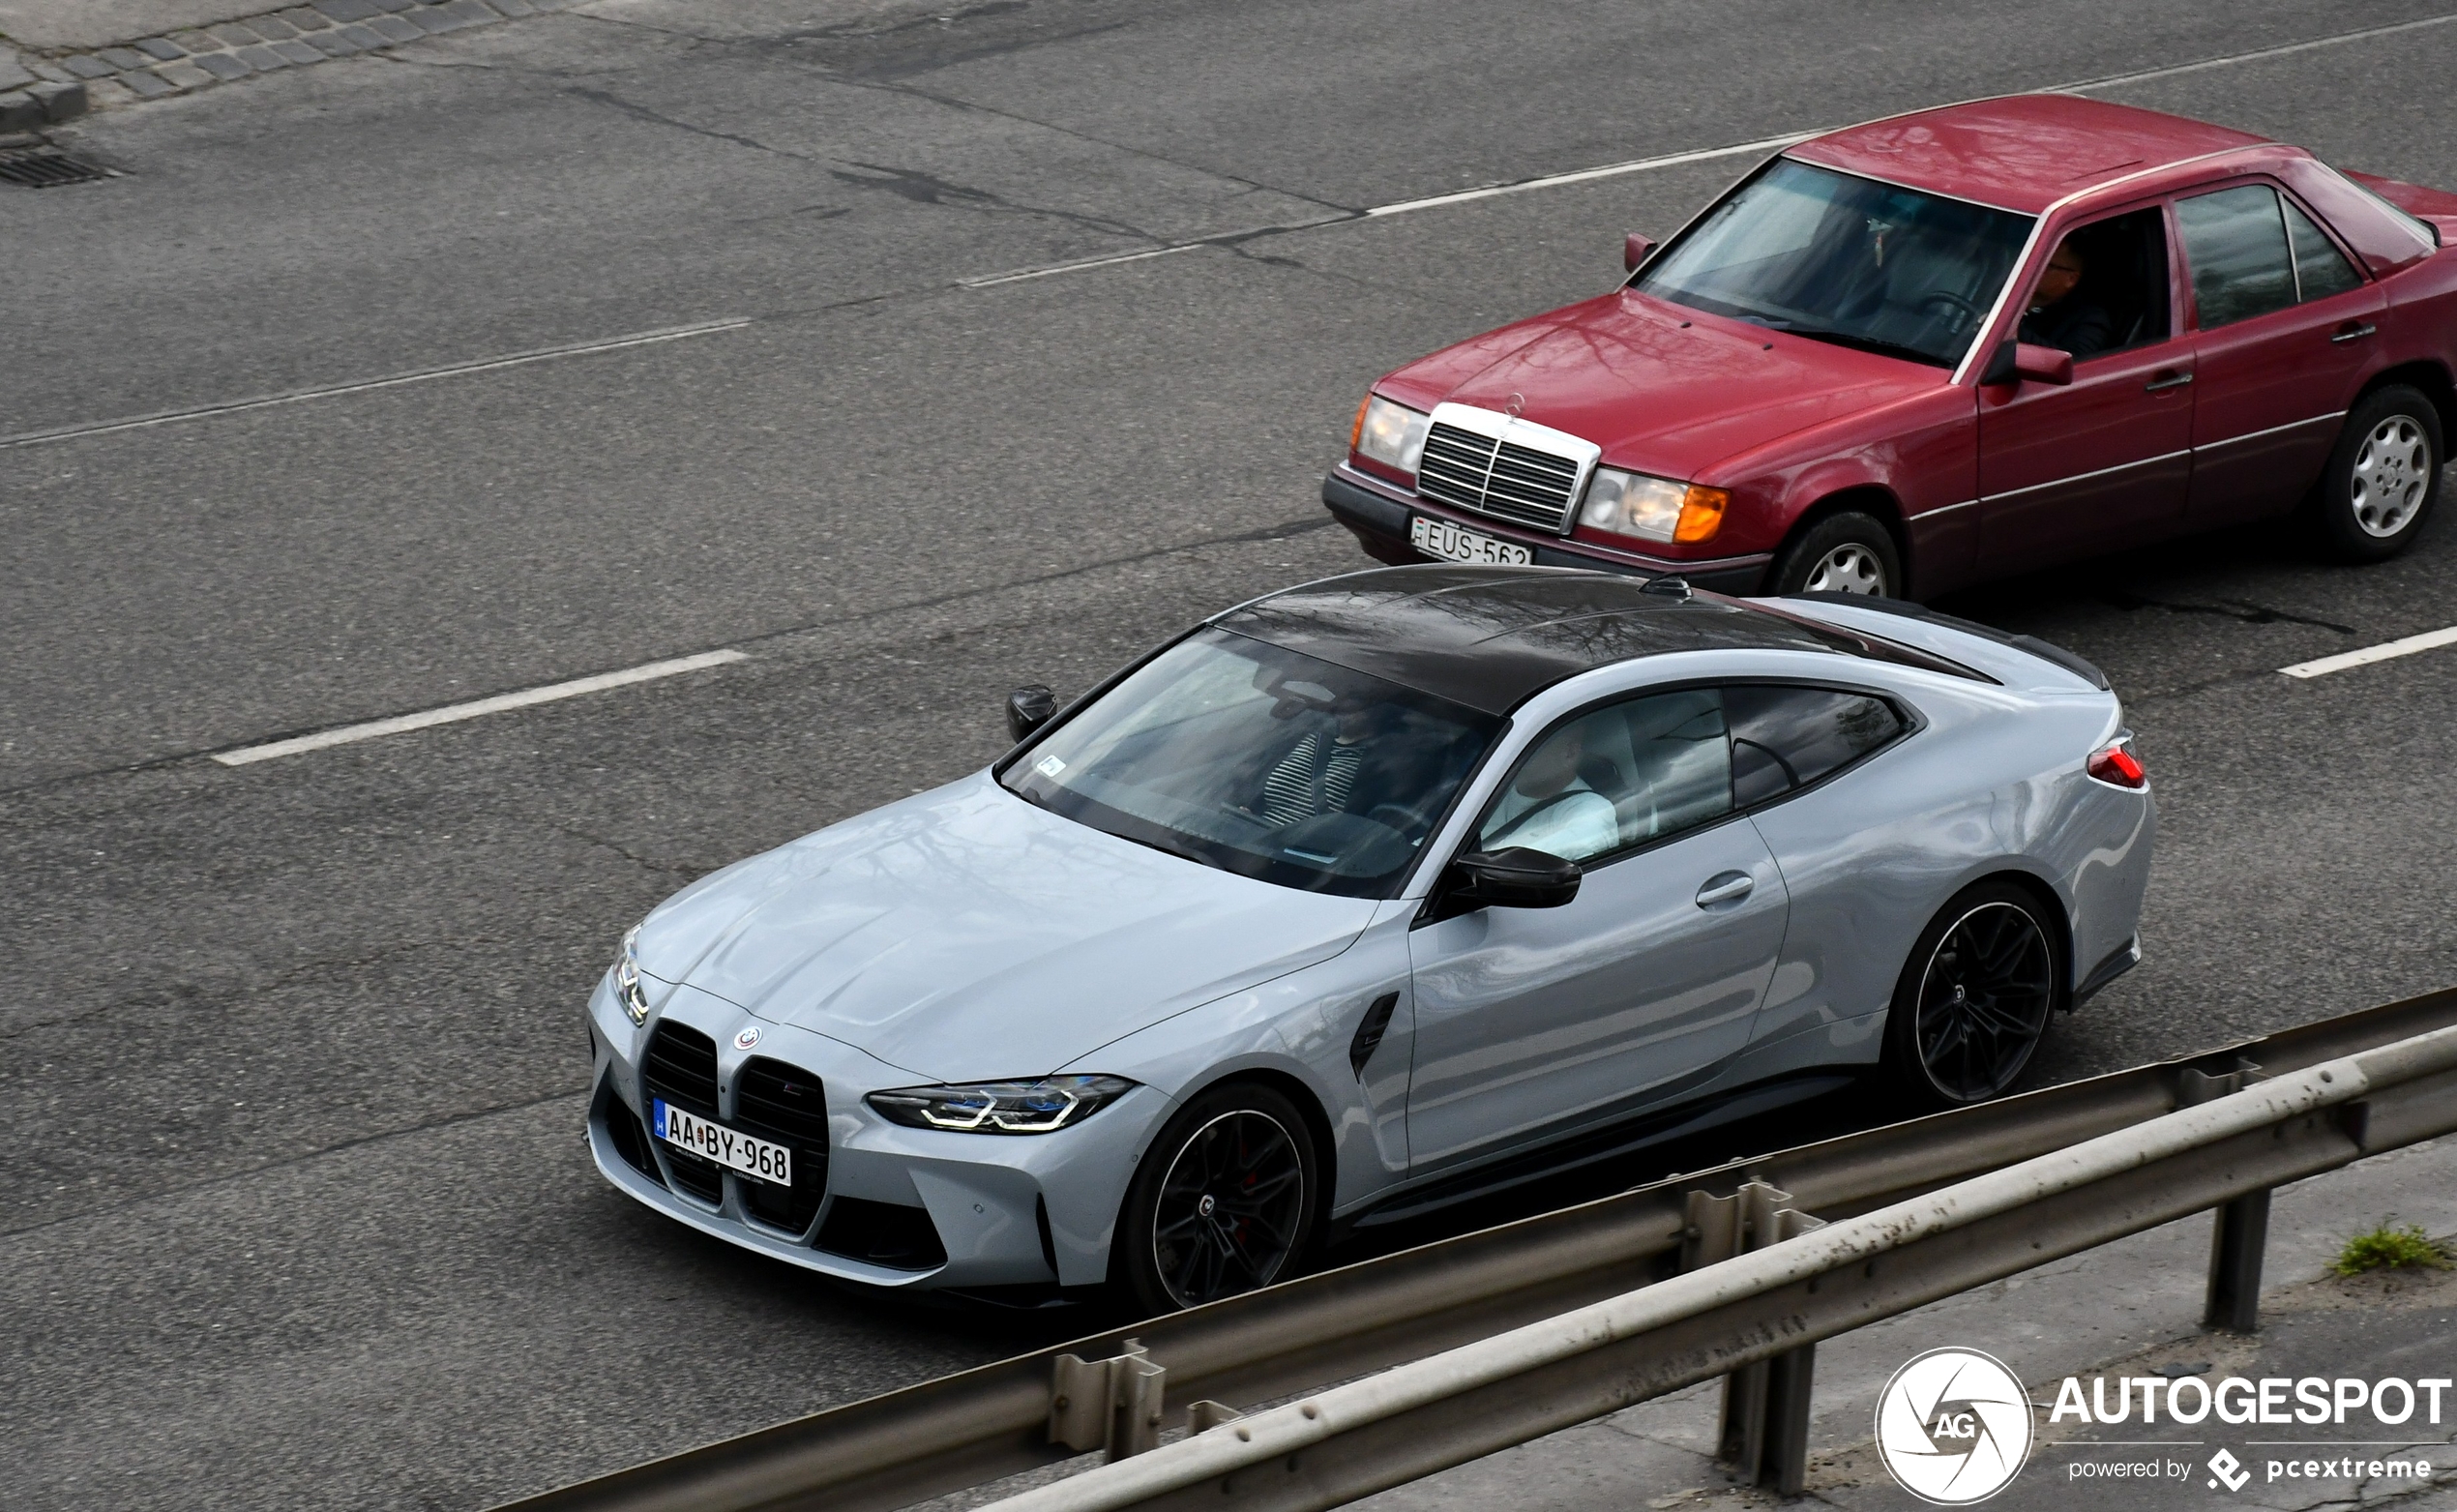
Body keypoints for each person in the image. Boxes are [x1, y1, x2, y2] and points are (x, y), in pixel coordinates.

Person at [1479, 723, 1618, 863]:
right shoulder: (1486, 789)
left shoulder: (1591, 810)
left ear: (1570, 753)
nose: (1515, 752)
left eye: (1532, 744)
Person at [2018, 236, 2116, 359]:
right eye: (2033, 261)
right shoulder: (2001, 293)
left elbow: (2074, 364)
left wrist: (2016, 333)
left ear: (2071, 279)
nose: (2033, 267)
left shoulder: (2089, 319)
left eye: (2047, 265)